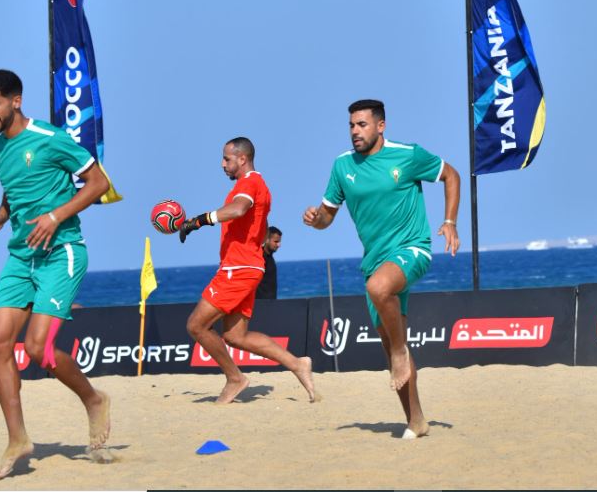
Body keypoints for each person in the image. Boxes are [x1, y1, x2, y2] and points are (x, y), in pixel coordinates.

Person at [0, 69, 112, 479]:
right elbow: (14, 182)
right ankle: (17, 438)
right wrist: (2, 215)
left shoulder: (52, 138)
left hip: (62, 253)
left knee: (39, 350)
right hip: (21, 255)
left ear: (16, 101)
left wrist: (55, 216)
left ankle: (93, 399)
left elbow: (98, 182)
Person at [303, 99, 461, 439]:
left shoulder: (407, 155)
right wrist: (317, 219)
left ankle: (401, 350)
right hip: (374, 259)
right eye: (351, 125)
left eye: (362, 124)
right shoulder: (342, 165)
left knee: (380, 293)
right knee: (388, 345)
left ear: (381, 126)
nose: (355, 131)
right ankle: (416, 420)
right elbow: (328, 215)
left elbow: (451, 174)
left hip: (412, 248)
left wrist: (449, 222)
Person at [179, 138, 316, 404]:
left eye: (227, 159)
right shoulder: (255, 184)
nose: (222, 164)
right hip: (248, 266)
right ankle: (298, 363)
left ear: (242, 159)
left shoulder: (249, 183)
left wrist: (199, 220)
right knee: (234, 336)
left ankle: (235, 378)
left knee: (196, 325)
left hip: (239, 268)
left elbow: (239, 209)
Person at [256, 226, 282, 300]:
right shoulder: (259, 257)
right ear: (266, 239)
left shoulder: (270, 258)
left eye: (279, 242)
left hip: (270, 304)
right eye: (276, 241)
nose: (279, 245)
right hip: (260, 305)